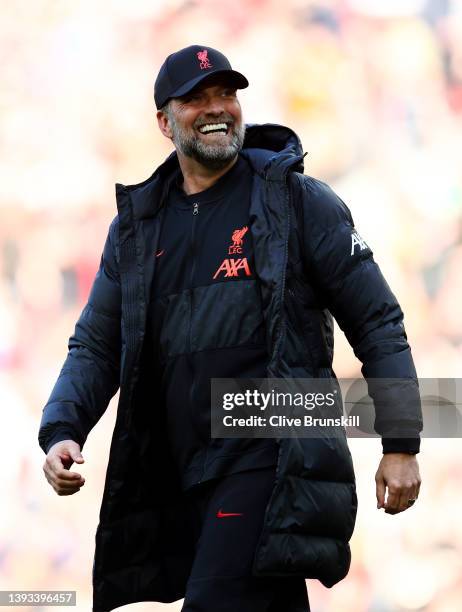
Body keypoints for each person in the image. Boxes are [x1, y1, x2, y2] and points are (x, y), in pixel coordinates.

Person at [39, 45, 423, 612]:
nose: (217, 107)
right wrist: (62, 427)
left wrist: (401, 442)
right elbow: (97, 343)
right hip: (178, 471)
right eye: (196, 98)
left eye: (226, 93)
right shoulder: (137, 229)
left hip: (270, 456)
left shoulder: (297, 202)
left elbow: (378, 322)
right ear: (165, 122)